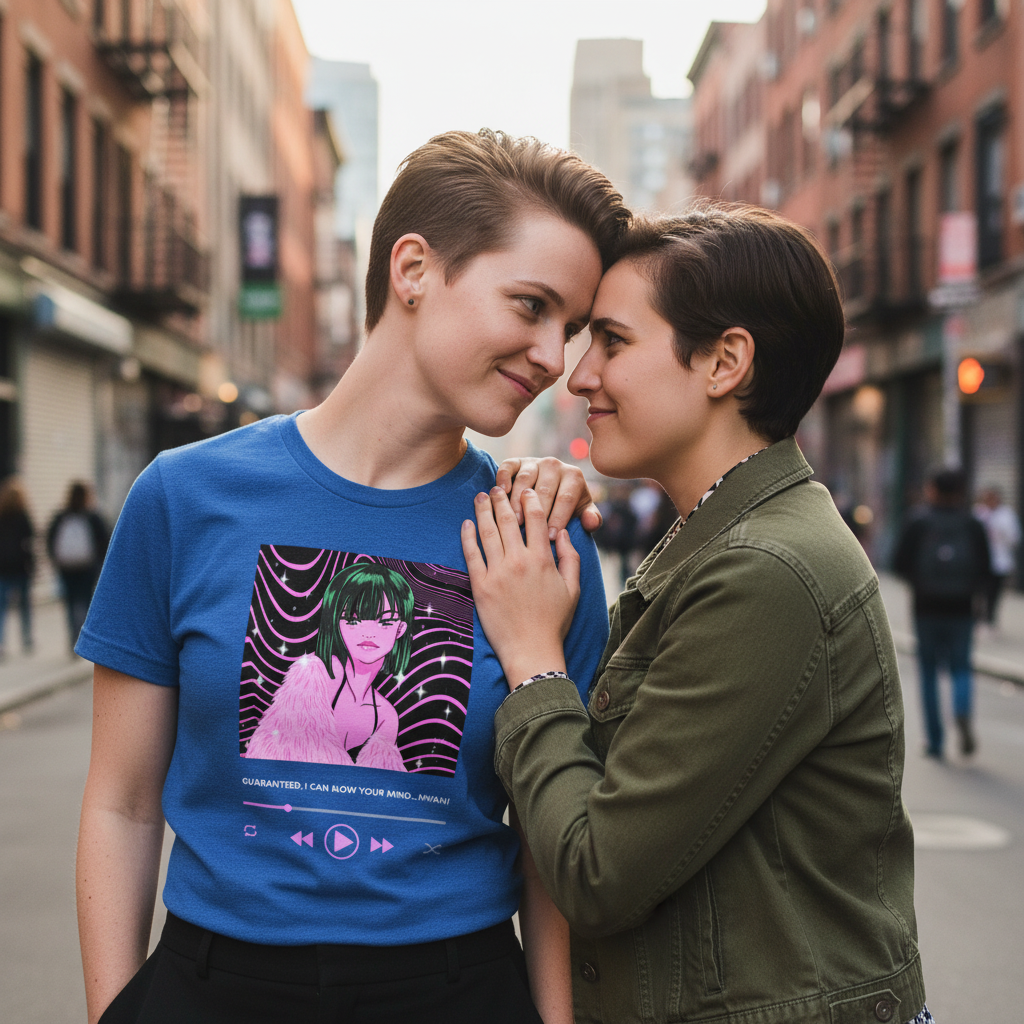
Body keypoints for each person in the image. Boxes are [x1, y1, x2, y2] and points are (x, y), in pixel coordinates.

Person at [75, 128, 627, 1024]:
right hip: (214, 986)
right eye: (531, 305)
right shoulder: (184, 497)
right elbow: (123, 802)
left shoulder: (539, 539)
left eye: (569, 327)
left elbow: (548, 844)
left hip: (456, 989)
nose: (552, 357)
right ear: (413, 269)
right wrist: (113, 1014)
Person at [464, 204, 930, 1024]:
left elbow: (597, 873)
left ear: (724, 363)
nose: (579, 377)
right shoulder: (724, 540)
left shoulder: (765, 571)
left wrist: (533, 659)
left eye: (613, 342)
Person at [244, 562, 416, 768]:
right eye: (353, 619)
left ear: (400, 629)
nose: (369, 632)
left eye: (385, 621)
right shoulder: (314, 676)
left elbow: (381, 782)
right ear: (335, 622)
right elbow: (271, 754)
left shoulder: (386, 716)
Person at [895, 469, 991, 758]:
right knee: (961, 666)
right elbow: (985, 568)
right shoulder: (972, 524)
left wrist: (918, 584)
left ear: (932, 490)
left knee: (928, 671)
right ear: (961, 492)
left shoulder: (918, 522)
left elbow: (899, 562)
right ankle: (961, 710)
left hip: (926, 608)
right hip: (962, 607)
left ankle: (935, 740)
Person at [47, 480, 109, 651]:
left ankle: (73, 637)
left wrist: (54, 559)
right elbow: (105, 541)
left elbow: (50, 539)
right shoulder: (93, 517)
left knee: (70, 602)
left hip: (66, 567)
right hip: (88, 566)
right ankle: (84, 638)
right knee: (86, 601)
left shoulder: (60, 516)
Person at [973, 486, 1020, 627]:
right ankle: (977, 617)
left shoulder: (1007, 515)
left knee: (994, 592)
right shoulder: (978, 512)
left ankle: (990, 618)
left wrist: (1000, 530)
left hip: (999, 561)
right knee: (979, 591)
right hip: (980, 560)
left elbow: (1014, 538)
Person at [0, 477, 35, 657]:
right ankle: (27, 639)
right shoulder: (23, 516)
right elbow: (31, 540)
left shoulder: (2, 516)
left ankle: (1, 643)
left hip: (3, 567)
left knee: (2, 608)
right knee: (24, 606)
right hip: (21, 567)